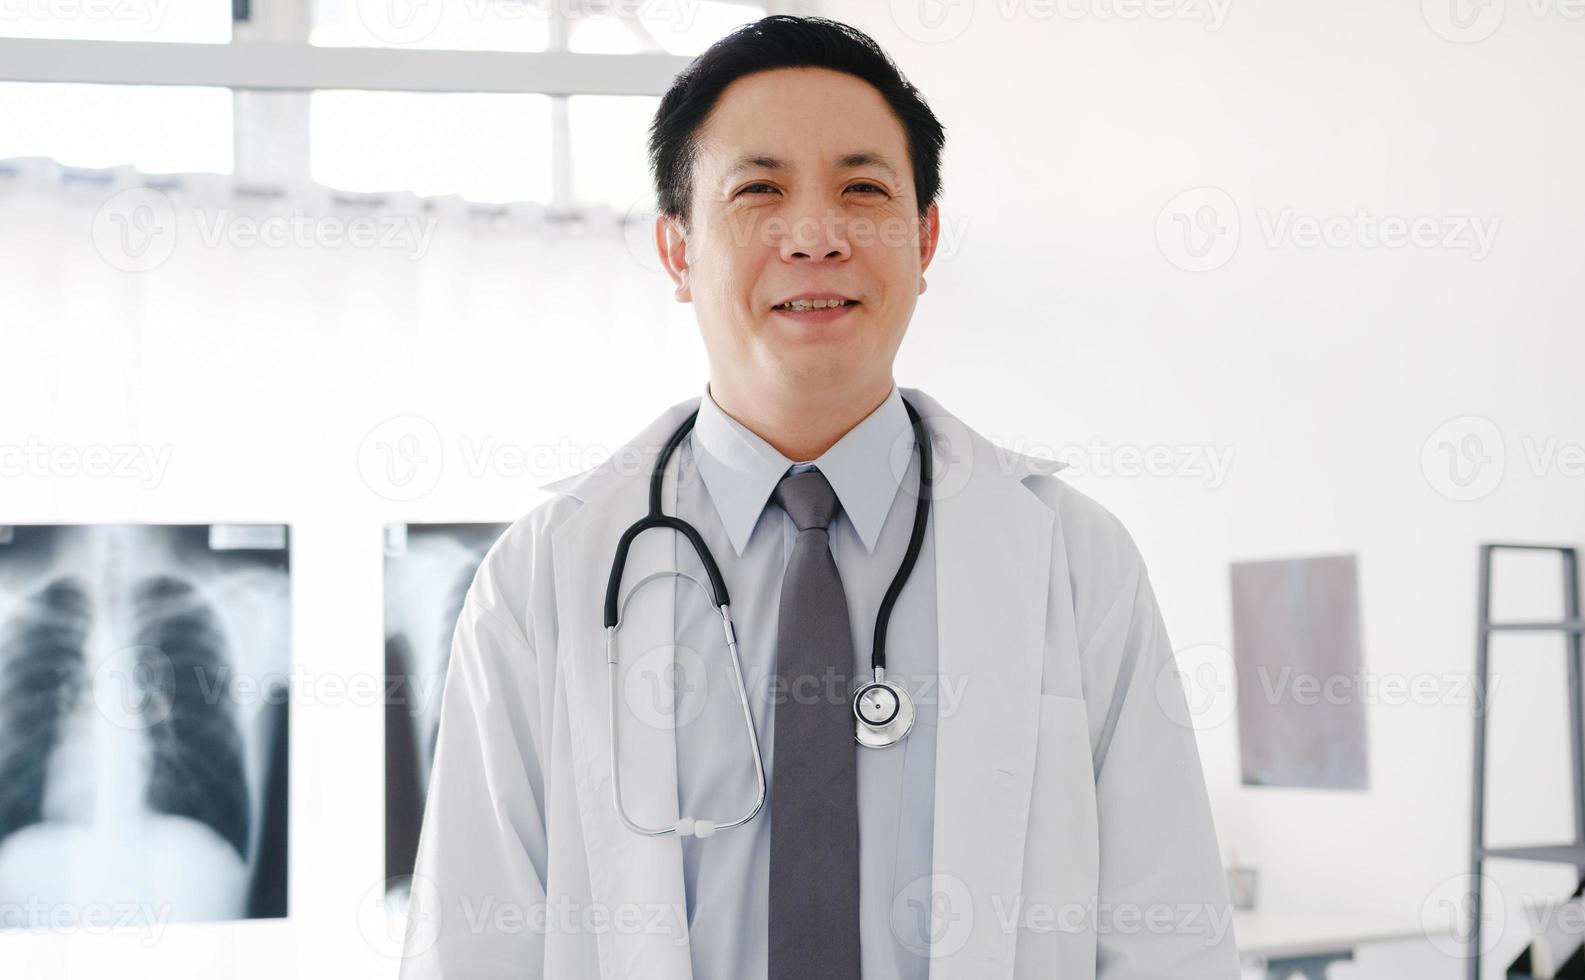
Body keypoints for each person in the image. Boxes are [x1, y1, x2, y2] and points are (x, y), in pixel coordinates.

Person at [400, 15, 1236, 980]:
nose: (816, 235)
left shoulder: (1074, 562)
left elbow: (1169, 942)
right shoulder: (542, 578)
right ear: (677, 249)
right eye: (759, 191)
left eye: (863, 190)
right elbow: (475, 944)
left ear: (923, 239)